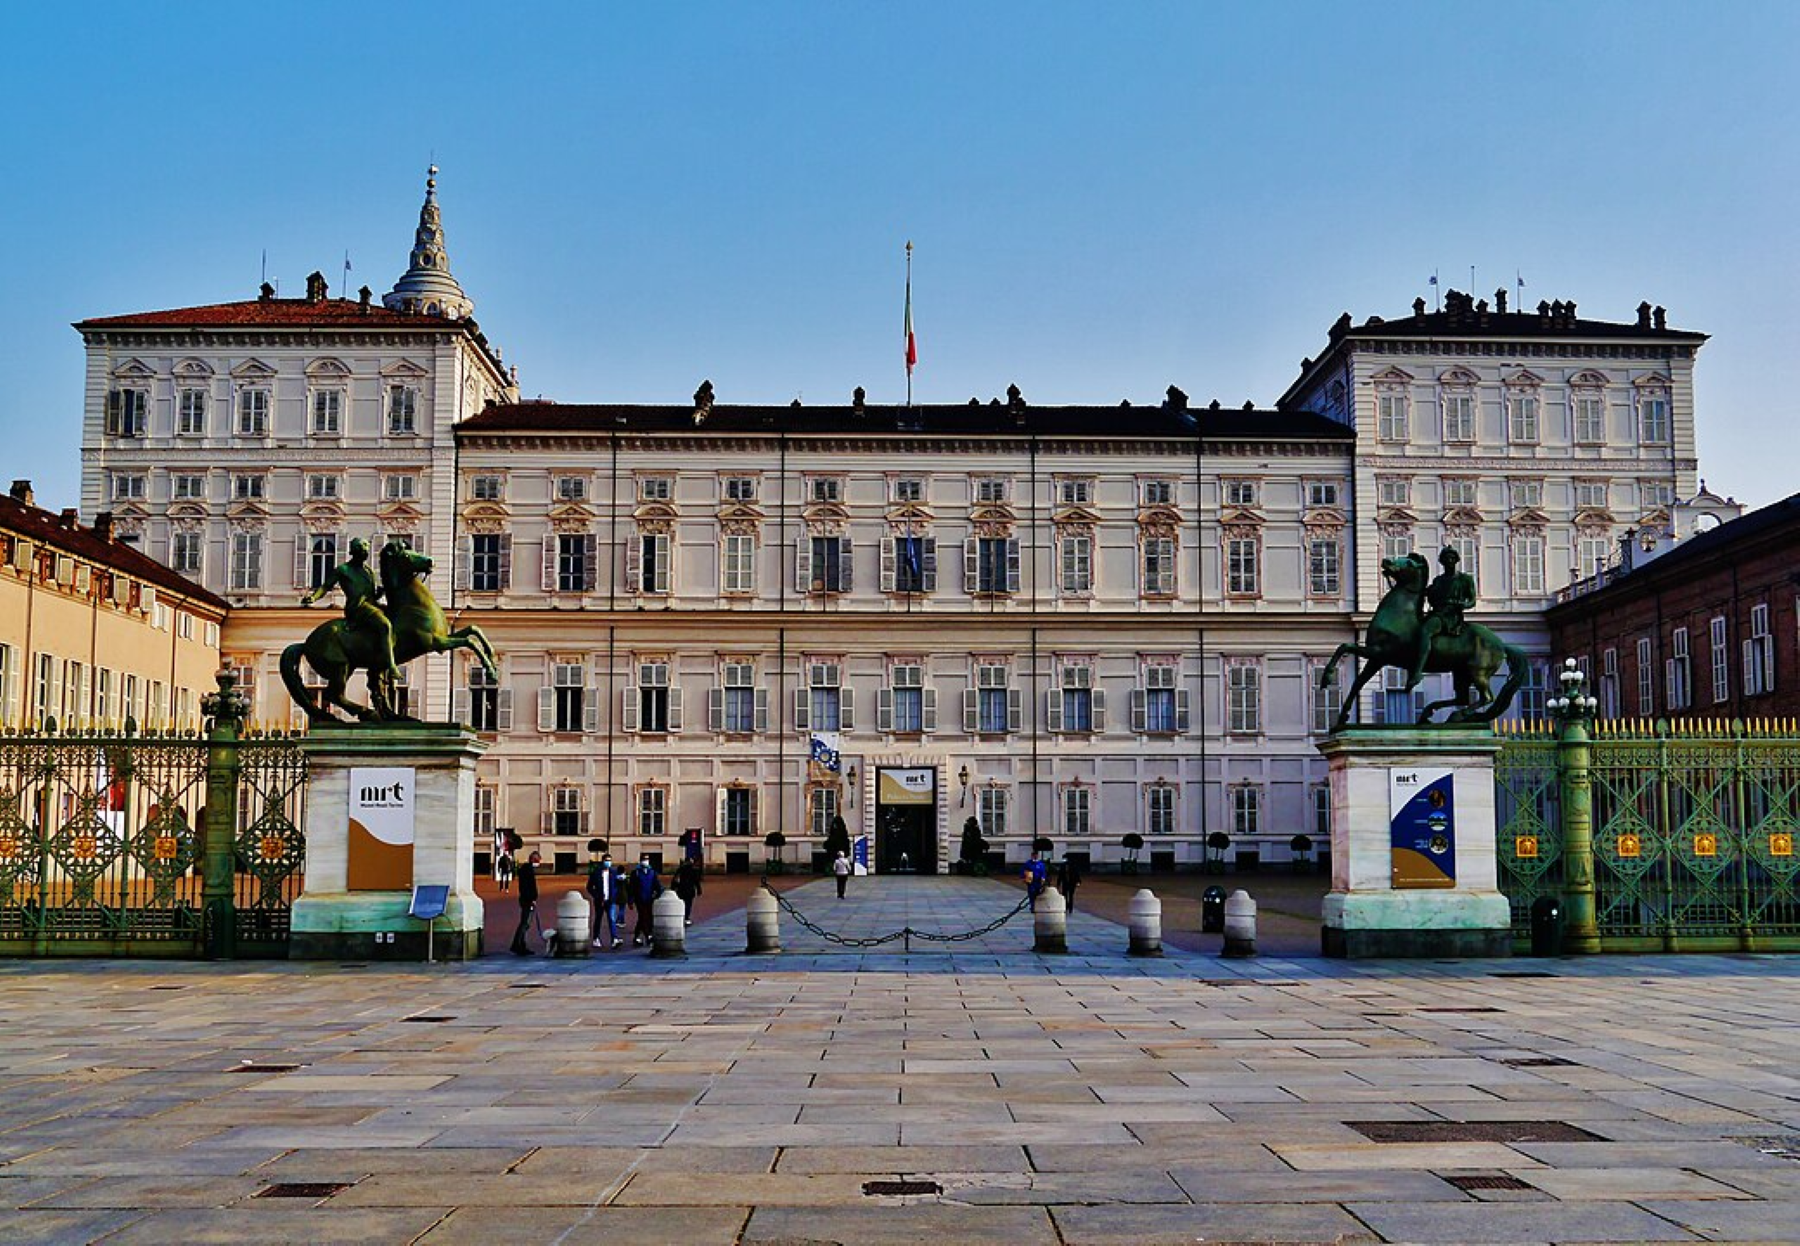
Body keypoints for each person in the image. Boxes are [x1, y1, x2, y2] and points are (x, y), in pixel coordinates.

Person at [299, 536, 400, 687]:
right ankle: (391, 666)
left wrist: (382, 591)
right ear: (354, 552)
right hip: (358, 608)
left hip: (372, 605)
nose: (365, 554)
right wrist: (314, 598)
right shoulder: (343, 570)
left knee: (397, 617)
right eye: (362, 551)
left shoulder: (369, 571)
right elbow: (326, 586)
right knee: (385, 625)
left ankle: (380, 665)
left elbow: (371, 593)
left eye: (366, 551)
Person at [1408, 545, 1477, 690]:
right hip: (1437, 612)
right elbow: (1429, 595)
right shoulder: (1438, 581)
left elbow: (1472, 600)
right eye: (1446, 559)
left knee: (1426, 631)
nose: (1449, 561)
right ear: (1442, 562)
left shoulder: (1465, 579)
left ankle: (1417, 671)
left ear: (1456, 560)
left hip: (1450, 616)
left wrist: (1462, 605)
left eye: (1452, 558)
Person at [586, 851, 621, 950]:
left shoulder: (613, 872)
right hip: (599, 900)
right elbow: (589, 887)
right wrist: (596, 896)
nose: (608, 863)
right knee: (598, 919)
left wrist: (614, 895)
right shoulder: (596, 873)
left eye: (610, 861)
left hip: (610, 900)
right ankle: (596, 938)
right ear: (602, 861)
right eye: (606, 860)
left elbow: (616, 885)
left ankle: (614, 939)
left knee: (611, 919)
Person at [510, 850, 542, 956]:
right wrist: (532, 899)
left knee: (524, 923)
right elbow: (529, 887)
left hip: (525, 899)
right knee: (525, 923)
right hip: (527, 900)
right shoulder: (528, 870)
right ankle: (517, 945)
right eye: (537, 860)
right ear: (533, 859)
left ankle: (521, 945)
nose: (538, 862)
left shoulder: (526, 869)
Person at [629, 856, 660, 947]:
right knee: (643, 916)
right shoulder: (636, 873)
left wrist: (659, 894)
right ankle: (648, 935)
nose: (645, 861)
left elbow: (656, 884)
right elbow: (631, 887)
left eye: (646, 859)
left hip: (649, 898)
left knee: (648, 917)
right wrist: (630, 900)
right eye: (643, 859)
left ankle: (637, 936)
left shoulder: (652, 872)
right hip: (639, 899)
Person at [673, 856, 702, 925]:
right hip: (690, 890)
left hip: (681, 889)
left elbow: (675, 879)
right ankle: (686, 918)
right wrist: (699, 890)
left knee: (681, 904)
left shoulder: (680, 869)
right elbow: (696, 881)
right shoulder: (693, 870)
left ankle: (681, 917)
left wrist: (673, 888)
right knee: (688, 904)